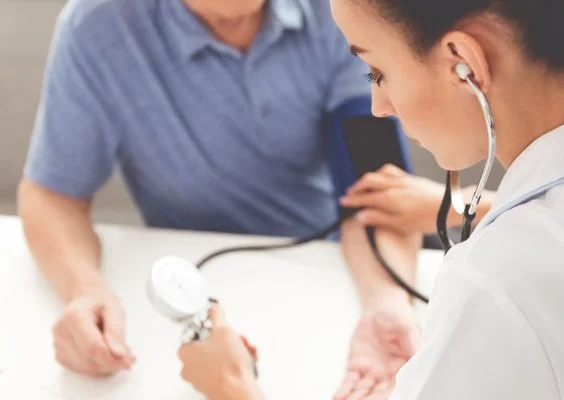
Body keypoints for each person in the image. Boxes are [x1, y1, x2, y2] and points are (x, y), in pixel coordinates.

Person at [15, 0, 468, 385]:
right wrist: (83, 288)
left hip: (345, 265)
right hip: (201, 277)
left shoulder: (346, 11)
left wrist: (386, 305)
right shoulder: (98, 28)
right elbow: (54, 194)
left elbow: (375, 191)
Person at [175, 0, 564, 399]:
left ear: (464, 64)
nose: (379, 106)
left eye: (377, 72)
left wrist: (232, 386)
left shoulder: (496, 284)